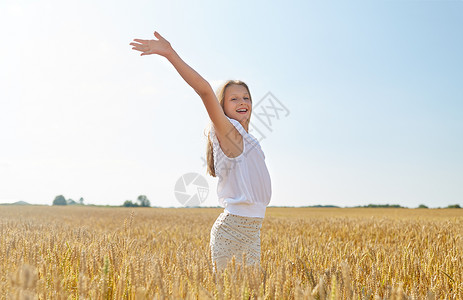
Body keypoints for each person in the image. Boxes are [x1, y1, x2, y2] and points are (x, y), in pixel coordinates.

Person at [130, 31, 272, 273]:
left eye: (245, 97)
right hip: (232, 231)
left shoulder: (250, 140)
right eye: (233, 98)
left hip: (253, 231)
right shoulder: (230, 131)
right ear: (222, 108)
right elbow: (205, 90)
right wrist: (170, 54)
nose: (241, 102)